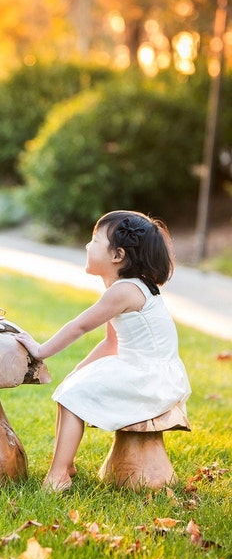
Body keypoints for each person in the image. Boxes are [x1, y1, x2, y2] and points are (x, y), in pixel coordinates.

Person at [15, 210, 191, 492]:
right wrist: (78, 371)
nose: (88, 246)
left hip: (152, 379)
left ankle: (58, 475)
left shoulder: (123, 292)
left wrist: (40, 350)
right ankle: (66, 464)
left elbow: (79, 327)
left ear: (117, 255)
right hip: (148, 370)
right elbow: (112, 343)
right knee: (70, 389)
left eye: (94, 240)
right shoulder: (127, 288)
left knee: (73, 397)